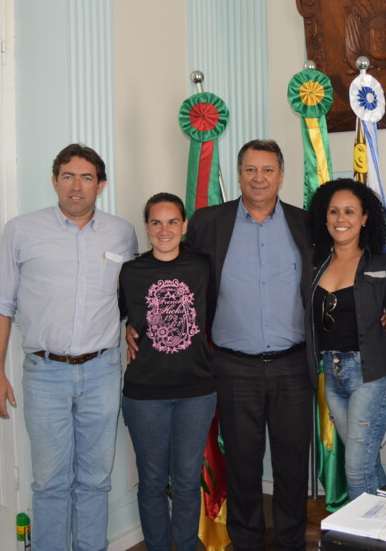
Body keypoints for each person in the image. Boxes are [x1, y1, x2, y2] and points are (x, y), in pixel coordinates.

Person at [130, 140, 315, 550]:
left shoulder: (306, 224)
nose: (259, 178)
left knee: (291, 467)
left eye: (268, 170)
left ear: (281, 175)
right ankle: (245, 543)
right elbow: (171, 269)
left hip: (292, 367)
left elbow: (339, 268)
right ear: (238, 174)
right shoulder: (209, 223)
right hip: (233, 368)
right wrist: (135, 319)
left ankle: (290, 544)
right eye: (250, 169)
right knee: (243, 468)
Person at [0, 144, 137, 551]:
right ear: (54, 181)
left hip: (103, 371)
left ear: (100, 185)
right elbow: (0, 304)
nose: (76, 186)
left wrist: (129, 329)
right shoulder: (21, 230)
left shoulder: (122, 232)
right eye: (67, 176)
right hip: (45, 372)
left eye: (86, 177)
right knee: (50, 482)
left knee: (95, 480)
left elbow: (132, 296)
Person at [118, 192, 215, 551]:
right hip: (145, 394)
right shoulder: (131, 272)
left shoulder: (203, 267)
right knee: (153, 482)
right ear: (146, 227)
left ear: (184, 226)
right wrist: (127, 326)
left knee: (188, 481)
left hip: (197, 392)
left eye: (172, 221)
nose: (164, 230)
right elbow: (116, 316)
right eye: (156, 222)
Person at [308, 179, 386, 501]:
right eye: (334, 212)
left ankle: (364, 540)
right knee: (365, 466)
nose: (341, 219)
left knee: (355, 470)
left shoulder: (383, 265)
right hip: (333, 379)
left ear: (365, 217)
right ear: (325, 218)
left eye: (350, 212)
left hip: (372, 377)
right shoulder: (314, 265)